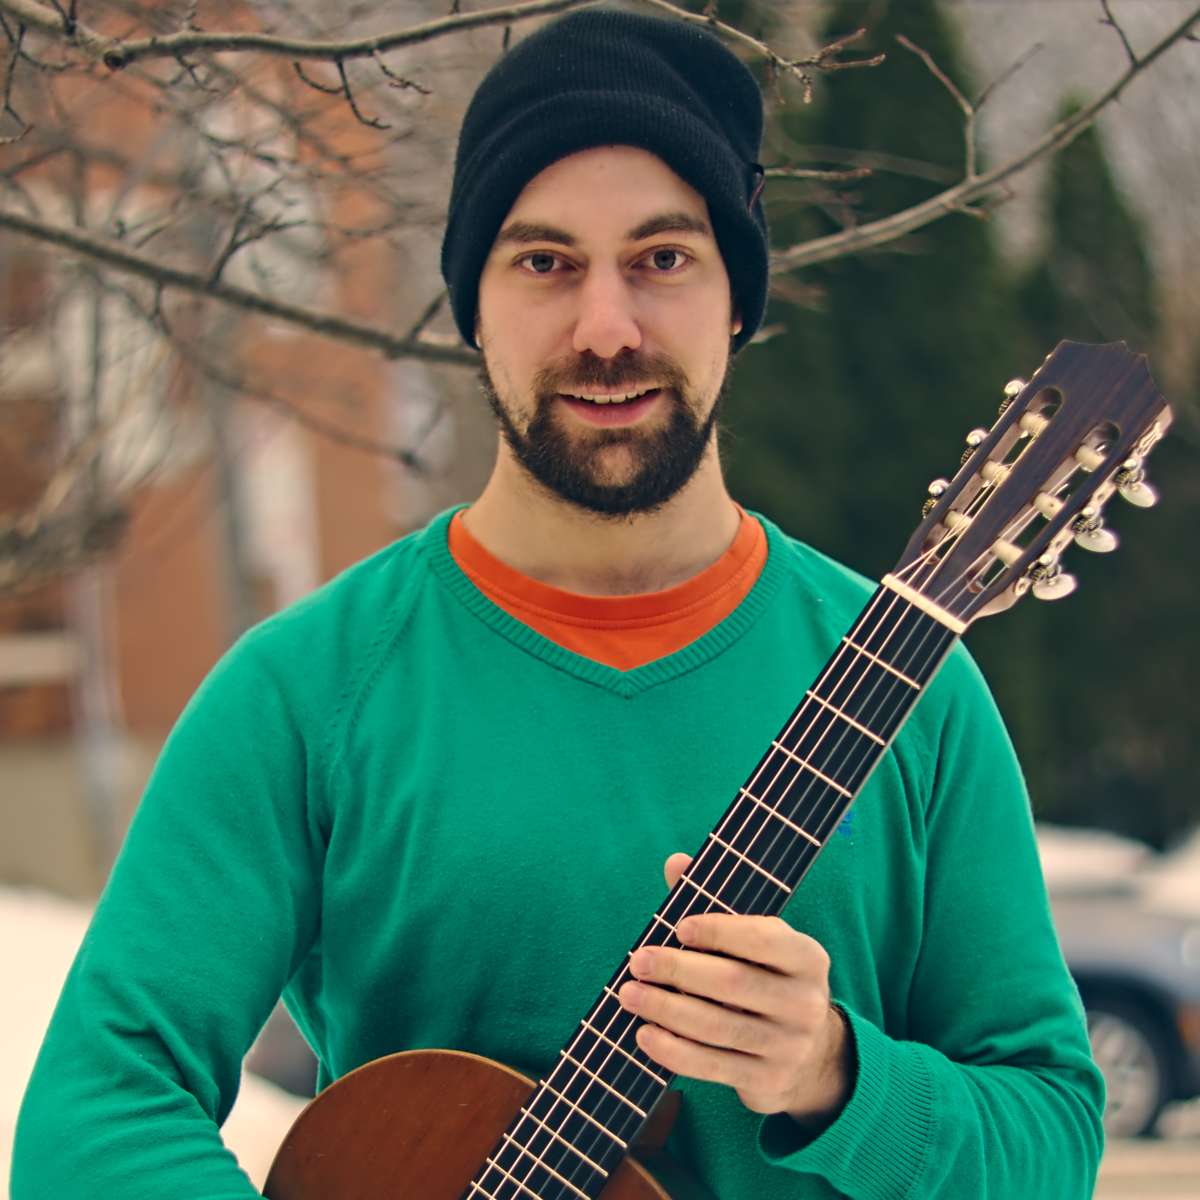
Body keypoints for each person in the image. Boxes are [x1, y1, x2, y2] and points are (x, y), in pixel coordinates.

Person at [12, 7, 1104, 1198]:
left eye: (662, 259)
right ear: (472, 308)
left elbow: (1051, 1135)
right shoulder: (307, 693)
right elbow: (94, 1114)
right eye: (544, 263)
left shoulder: (914, 689)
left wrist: (839, 1077)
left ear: (737, 298)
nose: (605, 327)